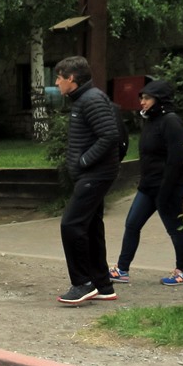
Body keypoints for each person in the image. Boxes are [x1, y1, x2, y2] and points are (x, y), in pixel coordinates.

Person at [107, 81, 183, 287]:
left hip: (169, 187)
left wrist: (165, 191)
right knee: (132, 224)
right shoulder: (151, 121)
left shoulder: (171, 122)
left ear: (159, 100)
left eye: (147, 98)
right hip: (148, 186)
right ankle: (122, 269)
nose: (142, 102)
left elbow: (175, 160)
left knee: (175, 229)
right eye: (141, 98)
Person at [54, 56, 121, 304]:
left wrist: (83, 161)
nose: (57, 83)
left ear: (71, 78)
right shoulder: (83, 99)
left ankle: (82, 283)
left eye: (59, 77)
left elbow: (109, 135)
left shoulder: (91, 99)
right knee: (91, 227)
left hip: (96, 174)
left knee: (71, 224)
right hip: (92, 173)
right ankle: (103, 286)